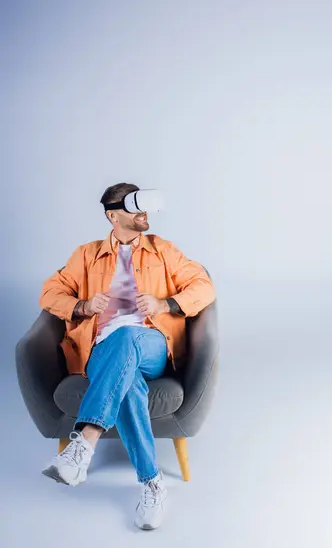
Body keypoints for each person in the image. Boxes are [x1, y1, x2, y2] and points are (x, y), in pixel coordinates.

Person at [39, 182, 216, 531]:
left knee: (127, 337)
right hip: (102, 350)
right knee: (128, 381)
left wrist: (166, 304)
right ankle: (153, 484)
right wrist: (82, 306)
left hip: (149, 343)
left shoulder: (162, 251)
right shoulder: (86, 255)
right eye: (134, 209)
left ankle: (83, 445)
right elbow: (50, 293)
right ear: (112, 215)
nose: (143, 215)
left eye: (144, 208)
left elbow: (204, 286)